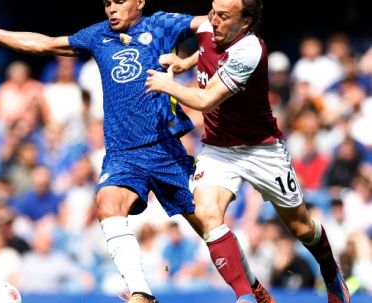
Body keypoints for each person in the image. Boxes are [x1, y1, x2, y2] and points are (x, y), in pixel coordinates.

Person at [0, 1, 272, 302]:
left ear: (139, 2)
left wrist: (216, 45)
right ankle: (141, 293)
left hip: (165, 150)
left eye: (119, 1)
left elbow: (214, 23)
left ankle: (254, 287)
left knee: (208, 225)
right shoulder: (97, 35)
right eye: (107, 3)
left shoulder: (162, 24)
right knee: (107, 203)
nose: (112, 9)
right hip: (122, 154)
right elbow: (44, 43)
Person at [145, 0, 350, 302]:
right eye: (213, 11)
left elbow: (205, 101)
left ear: (245, 23)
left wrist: (167, 83)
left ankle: (330, 270)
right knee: (206, 215)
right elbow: (206, 50)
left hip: (261, 150)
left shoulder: (250, 50)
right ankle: (249, 294)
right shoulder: (209, 26)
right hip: (218, 149)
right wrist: (184, 63)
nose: (213, 20)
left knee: (301, 227)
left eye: (223, 16)